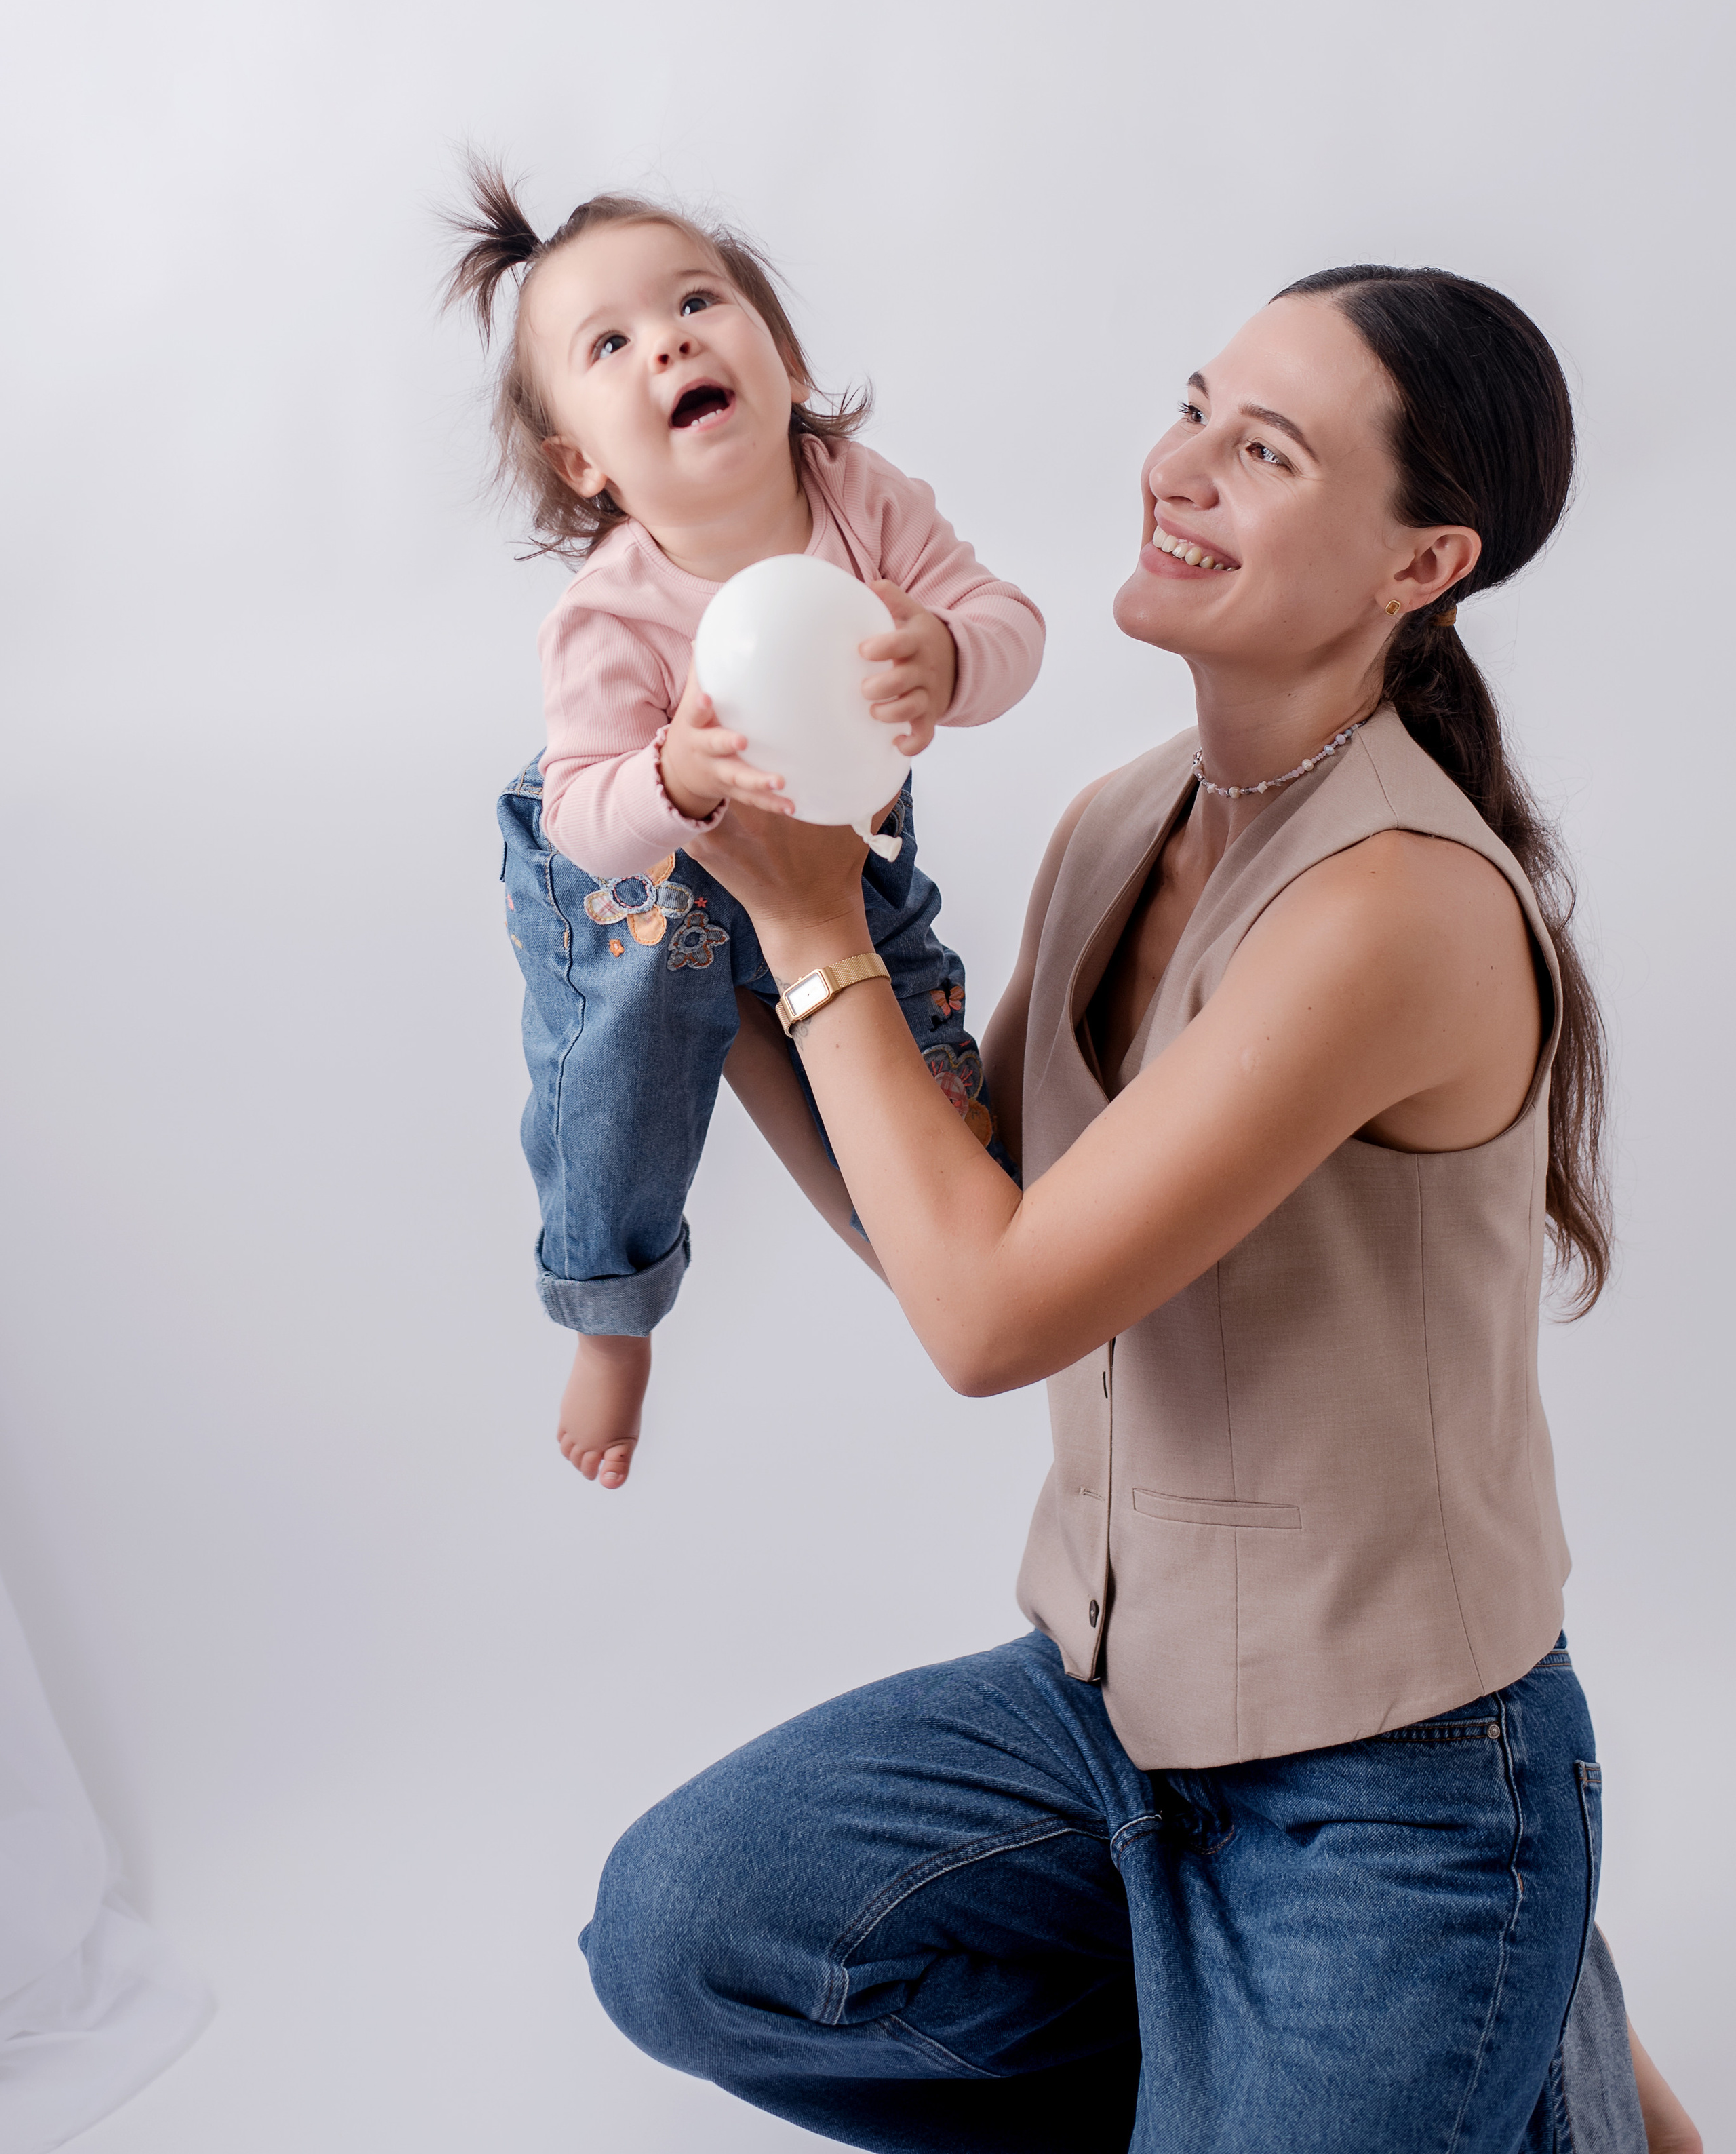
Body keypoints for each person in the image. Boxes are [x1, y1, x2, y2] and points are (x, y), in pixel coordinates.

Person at [578, 267, 1701, 2150]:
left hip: (1392, 1779)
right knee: (683, 1930)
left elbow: (993, 1317)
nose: (1176, 467)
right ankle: (1436, 2043)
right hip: (1119, 1713)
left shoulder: (1397, 907)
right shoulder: (1127, 817)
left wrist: (812, 923)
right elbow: (969, 1210)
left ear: (1422, 565)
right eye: (1196, 404)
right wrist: (704, 934)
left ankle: (1505, 1990)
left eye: (1262, 451)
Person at [445, 168, 1043, 1487]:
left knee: (931, 1132)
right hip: (640, 877)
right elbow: (587, 816)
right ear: (580, 461)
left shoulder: (859, 498)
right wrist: (669, 769)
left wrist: (946, 653)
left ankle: (892, 1169)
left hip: (838, 843)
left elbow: (1011, 628)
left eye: (696, 302)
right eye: (609, 345)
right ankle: (609, 1300)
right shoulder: (607, 614)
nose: (666, 340)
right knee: (624, 1060)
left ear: (779, 353)